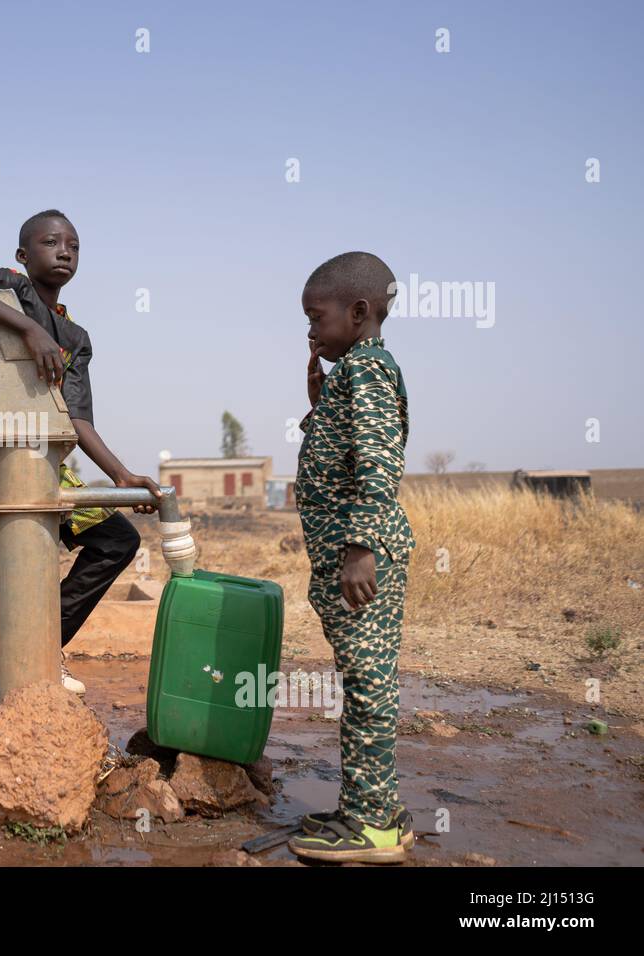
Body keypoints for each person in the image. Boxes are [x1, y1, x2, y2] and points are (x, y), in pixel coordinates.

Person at [0, 210, 160, 695]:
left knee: (115, 540)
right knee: (21, 545)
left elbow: (78, 420)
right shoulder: (12, 288)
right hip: (5, 449)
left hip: (48, 459)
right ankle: (12, 675)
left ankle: (33, 652)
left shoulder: (75, 337)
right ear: (23, 255)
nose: (64, 251)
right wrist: (27, 329)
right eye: (51, 242)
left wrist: (120, 475)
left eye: (73, 245)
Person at [286, 251, 417, 863]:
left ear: (359, 312)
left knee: (367, 686)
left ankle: (372, 828)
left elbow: (378, 462)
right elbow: (346, 450)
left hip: (362, 560)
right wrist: (319, 405)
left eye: (317, 316)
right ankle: (372, 806)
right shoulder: (353, 373)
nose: (310, 330)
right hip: (352, 556)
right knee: (364, 683)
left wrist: (361, 548)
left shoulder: (366, 371)